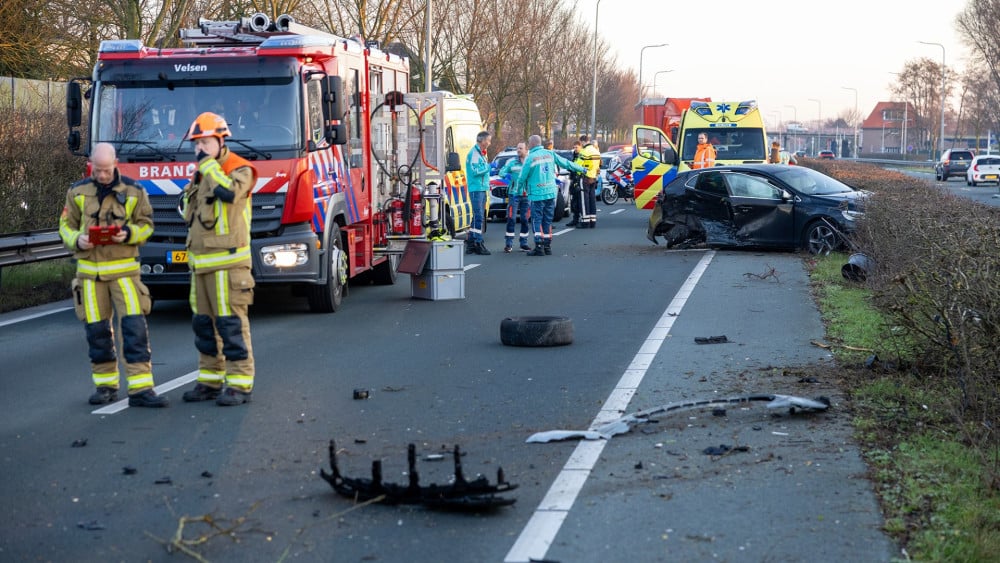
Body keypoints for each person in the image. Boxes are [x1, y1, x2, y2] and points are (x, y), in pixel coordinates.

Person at [59, 143, 168, 408]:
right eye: (97, 170)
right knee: (97, 333)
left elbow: (147, 226)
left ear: (115, 164)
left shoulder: (134, 191)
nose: (102, 175)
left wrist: (128, 234)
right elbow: (65, 226)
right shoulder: (77, 192)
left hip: (125, 274)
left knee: (134, 330)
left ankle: (141, 389)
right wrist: (77, 239)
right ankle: (105, 386)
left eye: (106, 170)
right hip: (89, 276)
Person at [179, 112, 258, 406]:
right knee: (204, 327)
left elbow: (229, 193)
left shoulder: (240, 169)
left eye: (205, 143)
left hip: (229, 265)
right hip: (201, 265)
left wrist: (208, 167)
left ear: (221, 141)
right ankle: (210, 381)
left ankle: (239, 384)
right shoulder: (201, 174)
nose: (199, 149)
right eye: (196, 144)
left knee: (231, 325)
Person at [515, 135, 585, 256]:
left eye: (529, 143)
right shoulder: (550, 154)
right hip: (551, 193)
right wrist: (581, 169)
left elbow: (522, 177)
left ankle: (539, 246)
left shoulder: (530, 157)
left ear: (532, 144)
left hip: (536, 194)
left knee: (537, 219)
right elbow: (566, 163)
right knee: (547, 219)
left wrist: (518, 191)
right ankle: (547, 246)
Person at [498, 142, 531, 252]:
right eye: (517, 148)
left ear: (526, 150)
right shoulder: (512, 162)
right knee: (511, 218)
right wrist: (506, 175)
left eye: (521, 148)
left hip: (527, 195)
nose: (518, 150)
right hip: (514, 194)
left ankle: (523, 243)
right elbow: (502, 172)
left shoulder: (530, 162)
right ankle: (509, 244)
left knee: (525, 219)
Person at [465, 131, 492, 255]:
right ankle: (478, 242)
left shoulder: (481, 153)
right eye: (488, 140)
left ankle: (471, 243)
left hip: (481, 188)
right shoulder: (475, 154)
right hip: (476, 188)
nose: (489, 143)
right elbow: (475, 171)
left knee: (476, 216)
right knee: (479, 217)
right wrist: (488, 167)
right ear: (483, 141)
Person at [575, 135, 601, 228]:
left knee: (584, 200)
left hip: (585, 177)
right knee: (592, 199)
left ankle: (585, 221)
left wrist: (576, 174)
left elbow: (577, 165)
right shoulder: (596, 151)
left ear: (582, 142)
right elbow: (598, 165)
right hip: (593, 177)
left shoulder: (584, 151)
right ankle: (592, 220)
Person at [566, 140, 584, 227]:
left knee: (579, 202)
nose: (575, 149)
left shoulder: (582, 155)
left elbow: (577, 166)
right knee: (574, 202)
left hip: (579, 180)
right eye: (574, 147)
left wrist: (570, 167)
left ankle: (581, 219)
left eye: (577, 147)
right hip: (574, 180)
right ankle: (575, 219)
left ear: (580, 147)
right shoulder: (575, 155)